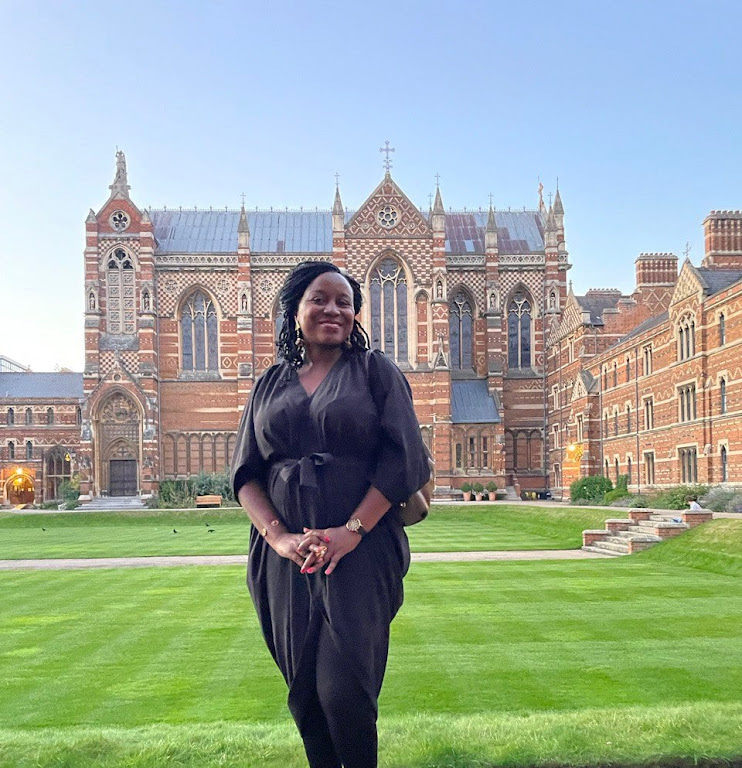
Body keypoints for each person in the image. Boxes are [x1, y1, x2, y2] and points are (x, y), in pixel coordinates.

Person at [231, 260, 430, 768]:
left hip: (359, 556)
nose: (333, 310)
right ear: (295, 310)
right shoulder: (270, 384)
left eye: (344, 302)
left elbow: (403, 458)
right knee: (307, 700)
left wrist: (351, 530)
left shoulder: (374, 372)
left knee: (345, 693)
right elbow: (246, 474)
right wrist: (278, 538)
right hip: (285, 562)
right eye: (320, 299)